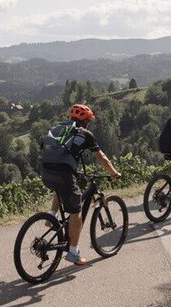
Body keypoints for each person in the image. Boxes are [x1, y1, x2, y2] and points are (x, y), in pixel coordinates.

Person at [40, 104, 121, 266]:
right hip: (63, 174)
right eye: (88, 121)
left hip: (45, 172)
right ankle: (73, 252)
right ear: (85, 121)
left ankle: (51, 217)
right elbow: (102, 157)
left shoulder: (58, 128)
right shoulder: (85, 134)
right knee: (76, 211)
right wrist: (114, 173)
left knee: (60, 188)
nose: (89, 123)